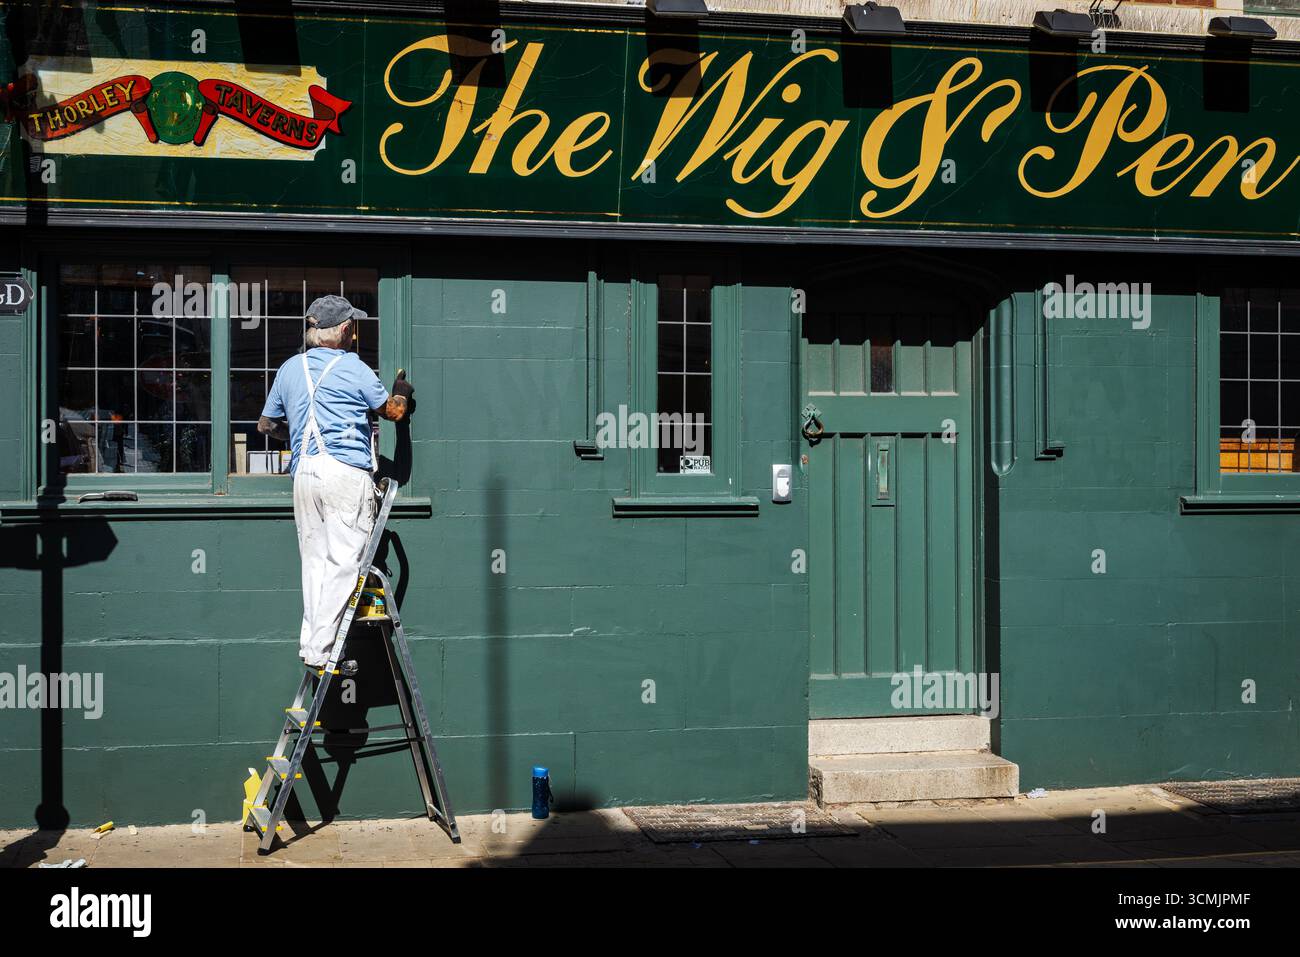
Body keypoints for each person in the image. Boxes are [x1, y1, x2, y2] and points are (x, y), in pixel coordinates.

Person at [257, 294, 414, 675]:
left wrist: (300, 433)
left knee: (314, 561)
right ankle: (324, 650)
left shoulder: (290, 368)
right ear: (345, 330)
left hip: (305, 472)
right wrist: (402, 392)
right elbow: (391, 412)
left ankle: (312, 645)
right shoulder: (353, 366)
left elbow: (266, 426)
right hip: (345, 473)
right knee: (345, 562)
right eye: (353, 327)